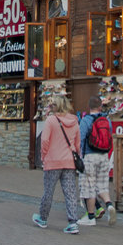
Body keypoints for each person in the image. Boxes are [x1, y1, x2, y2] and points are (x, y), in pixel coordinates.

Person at [33, 95, 83, 234]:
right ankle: (73, 222)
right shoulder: (74, 121)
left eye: (51, 105)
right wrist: (76, 154)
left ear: (56, 106)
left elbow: (44, 141)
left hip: (53, 161)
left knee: (48, 191)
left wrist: (43, 156)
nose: (49, 107)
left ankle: (43, 218)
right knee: (70, 192)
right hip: (69, 161)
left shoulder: (51, 120)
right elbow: (78, 143)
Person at [76, 96, 116, 227]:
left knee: (89, 187)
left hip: (90, 156)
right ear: (100, 107)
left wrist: (78, 156)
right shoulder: (107, 120)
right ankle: (109, 204)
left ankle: (91, 216)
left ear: (89, 107)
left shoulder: (86, 120)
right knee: (102, 185)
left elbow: (80, 139)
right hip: (104, 156)